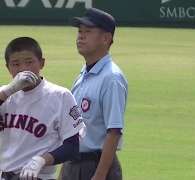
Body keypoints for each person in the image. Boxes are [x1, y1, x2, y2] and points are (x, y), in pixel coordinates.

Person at [0, 37, 86, 180]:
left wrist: (41, 160)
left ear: (41, 63)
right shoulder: (4, 95)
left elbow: (72, 147)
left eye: (29, 62)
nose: (23, 69)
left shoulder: (59, 96)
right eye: (16, 64)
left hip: (39, 176)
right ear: (8, 68)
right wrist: (9, 91)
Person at [58, 8, 128, 180]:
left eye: (88, 31)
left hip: (95, 167)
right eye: (79, 31)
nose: (80, 36)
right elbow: (72, 130)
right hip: (72, 165)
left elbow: (114, 131)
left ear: (106, 38)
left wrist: (99, 175)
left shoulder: (111, 78)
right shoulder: (82, 76)